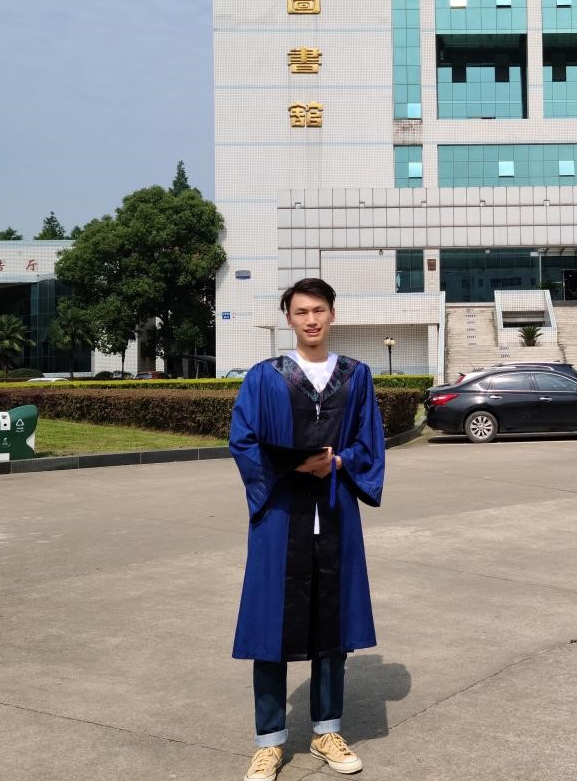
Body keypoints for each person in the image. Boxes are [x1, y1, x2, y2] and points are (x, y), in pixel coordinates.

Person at [229, 277, 385, 780]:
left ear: (332, 314)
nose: (311, 320)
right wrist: (294, 465)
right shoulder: (265, 376)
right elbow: (243, 440)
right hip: (280, 516)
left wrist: (337, 461)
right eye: (301, 312)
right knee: (269, 624)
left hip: (335, 511)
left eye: (319, 310)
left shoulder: (356, 376)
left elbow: (369, 441)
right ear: (289, 319)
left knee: (331, 623)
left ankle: (326, 731)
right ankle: (270, 741)